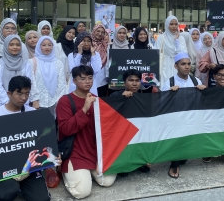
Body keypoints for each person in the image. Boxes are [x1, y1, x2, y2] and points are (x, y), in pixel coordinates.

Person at [56, 66, 116, 199]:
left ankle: (86, 172)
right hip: (75, 152)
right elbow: (65, 129)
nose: (87, 81)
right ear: (74, 81)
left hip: (93, 150)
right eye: (82, 79)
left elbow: (105, 128)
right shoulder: (65, 101)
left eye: (90, 78)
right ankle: (67, 173)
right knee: (82, 192)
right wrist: (84, 108)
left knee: (107, 181)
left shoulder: (97, 99)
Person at [161, 53, 205, 178]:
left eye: (188, 64)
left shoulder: (196, 81)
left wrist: (203, 91)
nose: (186, 67)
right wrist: (169, 94)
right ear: (176, 66)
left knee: (184, 156)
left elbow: (203, 103)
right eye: (183, 64)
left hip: (192, 119)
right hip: (176, 121)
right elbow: (162, 104)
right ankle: (174, 164)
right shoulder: (169, 82)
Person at [109, 69, 153, 177]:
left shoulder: (144, 97)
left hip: (138, 133)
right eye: (131, 80)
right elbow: (108, 116)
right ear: (124, 83)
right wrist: (121, 99)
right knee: (123, 173)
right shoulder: (115, 95)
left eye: (137, 80)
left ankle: (140, 162)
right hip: (121, 133)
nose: (134, 83)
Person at [0, 35, 33, 115]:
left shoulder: (26, 64)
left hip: (22, 103)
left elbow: (28, 84)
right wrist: (10, 102)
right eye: (11, 45)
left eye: (18, 45)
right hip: (3, 104)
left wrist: (20, 100)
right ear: (6, 46)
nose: (15, 47)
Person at [29, 36, 66, 117]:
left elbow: (62, 83)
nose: (47, 47)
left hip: (54, 103)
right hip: (38, 103)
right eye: (44, 45)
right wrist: (35, 99)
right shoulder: (32, 62)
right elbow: (31, 82)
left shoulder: (58, 63)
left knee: (52, 127)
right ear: (39, 46)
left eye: (50, 45)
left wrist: (59, 101)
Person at [0, 18, 28, 84]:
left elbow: (26, 66)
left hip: (17, 85)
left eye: (13, 28)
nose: (10, 30)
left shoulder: (21, 46)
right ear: (1, 29)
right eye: (7, 28)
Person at [154, 16, 187, 85]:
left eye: (176, 24)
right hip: (164, 66)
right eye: (171, 24)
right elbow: (156, 53)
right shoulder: (161, 38)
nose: (174, 26)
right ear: (167, 25)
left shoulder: (181, 38)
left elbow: (184, 54)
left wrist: (177, 40)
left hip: (178, 66)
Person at [91, 24, 109, 97]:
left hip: (103, 80)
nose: (100, 33)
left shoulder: (106, 45)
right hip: (89, 80)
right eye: (98, 31)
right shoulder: (88, 44)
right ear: (94, 31)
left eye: (102, 32)